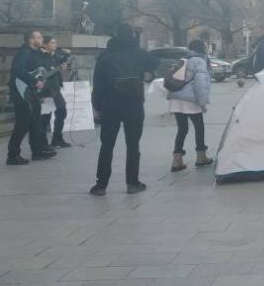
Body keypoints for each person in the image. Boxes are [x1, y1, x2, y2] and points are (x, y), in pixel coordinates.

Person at [90, 23, 159, 194]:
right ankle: (132, 183)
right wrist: (146, 72)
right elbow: (154, 62)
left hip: (110, 104)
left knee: (107, 145)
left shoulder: (106, 56)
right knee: (133, 144)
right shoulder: (139, 53)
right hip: (133, 104)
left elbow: (97, 84)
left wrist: (97, 106)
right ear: (132, 36)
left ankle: (101, 185)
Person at [7, 29, 55, 165]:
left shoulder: (35, 53)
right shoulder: (24, 53)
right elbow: (18, 71)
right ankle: (12, 155)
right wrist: (34, 81)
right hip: (21, 92)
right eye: (39, 37)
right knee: (23, 123)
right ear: (31, 40)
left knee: (36, 121)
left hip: (30, 91)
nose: (42, 39)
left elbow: (37, 70)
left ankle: (37, 151)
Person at [167, 39, 212, 172]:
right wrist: (202, 103)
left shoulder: (183, 59)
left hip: (176, 98)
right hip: (190, 100)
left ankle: (177, 160)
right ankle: (201, 157)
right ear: (201, 48)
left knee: (182, 129)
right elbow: (200, 84)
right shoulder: (199, 61)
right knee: (199, 127)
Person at [40, 34, 72, 149]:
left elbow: (63, 63)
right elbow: (43, 72)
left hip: (55, 88)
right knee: (46, 116)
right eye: (53, 42)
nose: (55, 44)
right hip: (47, 90)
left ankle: (57, 139)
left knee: (61, 111)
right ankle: (43, 142)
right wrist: (56, 68)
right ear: (45, 44)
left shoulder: (54, 55)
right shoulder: (41, 56)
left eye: (55, 42)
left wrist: (67, 55)